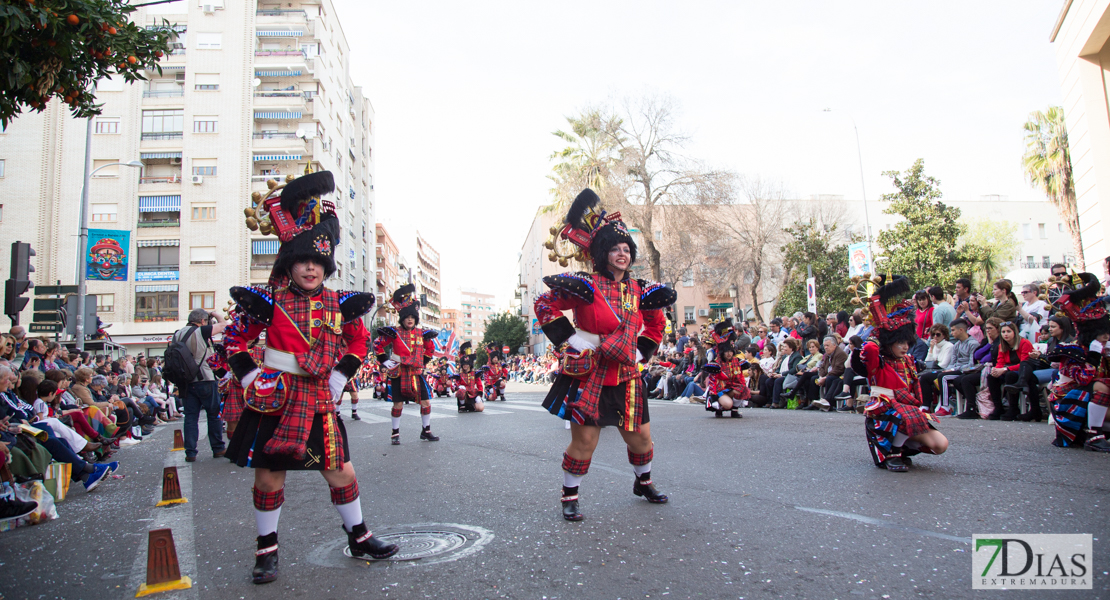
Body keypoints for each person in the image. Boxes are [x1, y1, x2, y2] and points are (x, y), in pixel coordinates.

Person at [222, 169, 399, 583]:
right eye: (302, 261)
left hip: (319, 396)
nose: (310, 269)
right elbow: (234, 341)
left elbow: (358, 344)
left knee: (341, 471)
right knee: (269, 476)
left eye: (317, 262)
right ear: (290, 263)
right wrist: (250, 379)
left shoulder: (341, 303)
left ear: (326, 266)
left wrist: (339, 379)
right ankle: (266, 552)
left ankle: (359, 537)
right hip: (273, 396)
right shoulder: (269, 299)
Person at [533, 188, 674, 521]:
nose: (622, 254)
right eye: (615, 248)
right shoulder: (586, 284)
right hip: (589, 372)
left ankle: (644, 482)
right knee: (585, 442)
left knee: (641, 438)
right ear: (602, 252)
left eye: (626, 249)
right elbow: (544, 303)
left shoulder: (641, 290)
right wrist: (570, 339)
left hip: (627, 373)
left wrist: (641, 352)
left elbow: (656, 324)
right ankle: (570, 495)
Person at [853, 275, 948, 472]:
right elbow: (869, 349)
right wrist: (879, 335)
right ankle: (892, 452)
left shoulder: (909, 360)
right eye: (899, 343)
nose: (905, 347)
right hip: (884, 411)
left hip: (908, 409)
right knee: (905, 415)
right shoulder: (877, 360)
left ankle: (903, 448)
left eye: (906, 343)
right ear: (889, 343)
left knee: (940, 445)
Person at [1045, 273, 1110, 451]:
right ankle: (1093, 435)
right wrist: (1094, 356)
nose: (1106, 336)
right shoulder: (1072, 351)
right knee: (1103, 386)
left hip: (1092, 402)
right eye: (1102, 332)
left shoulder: (1105, 347)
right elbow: (1083, 379)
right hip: (1070, 405)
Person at [374, 283, 440, 445]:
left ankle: (426, 431)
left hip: (416, 374)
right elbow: (377, 344)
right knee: (398, 404)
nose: (409, 320)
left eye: (412, 317)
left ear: (415, 319)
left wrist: (422, 362)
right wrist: (385, 361)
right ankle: (395, 433)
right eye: (406, 317)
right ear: (402, 318)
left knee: (426, 402)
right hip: (398, 373)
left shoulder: (421, 333)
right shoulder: (394, 332)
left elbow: (430, 348)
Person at [172, 308, 228, 463]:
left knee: (190, 417)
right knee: (213, 415)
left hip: (186, 381)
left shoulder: (177, 334)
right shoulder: (202, 331)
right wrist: (215, 314)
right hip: (205, 379)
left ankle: (190, 452)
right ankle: (218, 448)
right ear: (203, 321)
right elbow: (224, 325)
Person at [1015, 315, 1074, 422]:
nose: (1050, 329)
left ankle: (1034, 409)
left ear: (1062, 328)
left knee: (1031, 377)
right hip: (1049, 367)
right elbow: (1048, 361)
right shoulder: (1052, 340)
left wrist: (1040, 356)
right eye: (1050, 326)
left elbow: (1057, 362)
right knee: (1026, 362)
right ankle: (1022, 383)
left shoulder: (1069, 342)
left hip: (1062, 370)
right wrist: (1038, 357)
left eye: (1053, 327)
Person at [921, 320, 979, 416]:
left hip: (966, 371)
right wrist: (950, 369)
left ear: (961, 330)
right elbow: (952, 362)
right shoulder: (957, 345)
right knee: (925, 377)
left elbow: (971, 364)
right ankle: (925, 406)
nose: (951, 333)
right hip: (955, 370)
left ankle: (945, 407)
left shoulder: (973, 343)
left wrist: (952, 369)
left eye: (953, 330)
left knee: (943, 376)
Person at [702, 320, 748, 418]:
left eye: (730, 351)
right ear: (722, 352)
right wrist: (713, 396)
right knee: (728, 404)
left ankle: (734, 411)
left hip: (732, 387)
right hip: (720, 389)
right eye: (726, 352)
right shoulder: (716, 363)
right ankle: (718, 407)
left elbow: (740, 378)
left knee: (742, 390)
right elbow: (712, 381)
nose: (729, 354)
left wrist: (743, 391)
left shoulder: (737, 361)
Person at [987, 321, 1033, 421]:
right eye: (1003, 332)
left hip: (1021, 371)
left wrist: (1004, 369)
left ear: (1015, 332)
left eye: (1008, 331)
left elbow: (1025, 363)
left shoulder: (1025, 343)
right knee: (991, 377)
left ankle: (1013, 408)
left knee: (1010, 375)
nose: (1006, 334)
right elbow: (1000, 361)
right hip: (1006, 369)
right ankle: (998, 407)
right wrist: (997, 370)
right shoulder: (1001, 345)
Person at [811, 336, 848, 411]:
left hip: (838, 375)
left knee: (829, 379)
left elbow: (838, 369)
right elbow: (822, 367)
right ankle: (814, 403)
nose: (826, 347)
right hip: (828, 374)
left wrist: (825, 377)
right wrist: (821, 376)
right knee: (813, 379)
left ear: (834, 345)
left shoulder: (840, 354)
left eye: (828, 345)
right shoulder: (827, 354)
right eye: (824, 346)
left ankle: (828, 403)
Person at [768, 339, 802, 409]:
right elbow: (779, 367)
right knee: (769, 381)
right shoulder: (784, 356)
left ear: (791, 348)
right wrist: (775, 373)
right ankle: (769, 401)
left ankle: (776, 402)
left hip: (790, 376)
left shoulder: (797, 356)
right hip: (782, 374)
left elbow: (794, 369)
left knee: (778, 381)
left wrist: (781, 374)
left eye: (785, 347)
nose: (783, 348)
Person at [454, 343, 483, 413]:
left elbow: (479, 385)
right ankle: (462, 405)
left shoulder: (475, 373)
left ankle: (472, 405)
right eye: (464, 364)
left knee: (480, 408)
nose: (465, 366)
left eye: (467, 364)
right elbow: (455, 384)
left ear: (470, 365)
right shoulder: (459, 374)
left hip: (473, 394)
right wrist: (459, 387)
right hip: (464, 395)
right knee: (461, 391)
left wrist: (479, 395)